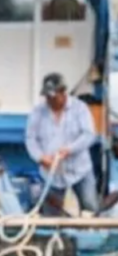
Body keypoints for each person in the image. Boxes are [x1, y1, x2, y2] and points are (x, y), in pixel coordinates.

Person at [26, 72, 98, 215]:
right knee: (50, 215)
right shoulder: (37, 112)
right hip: (52, 175)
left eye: (53, 96)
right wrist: (40, 157)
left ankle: (91, 234)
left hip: (80, 171)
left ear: (63, 92)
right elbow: (30, 139)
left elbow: (89, 134)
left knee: (90, 209)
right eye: (47, 97)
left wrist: (69, 150)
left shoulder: (80, 108)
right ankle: (53, 237)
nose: (50, 100)